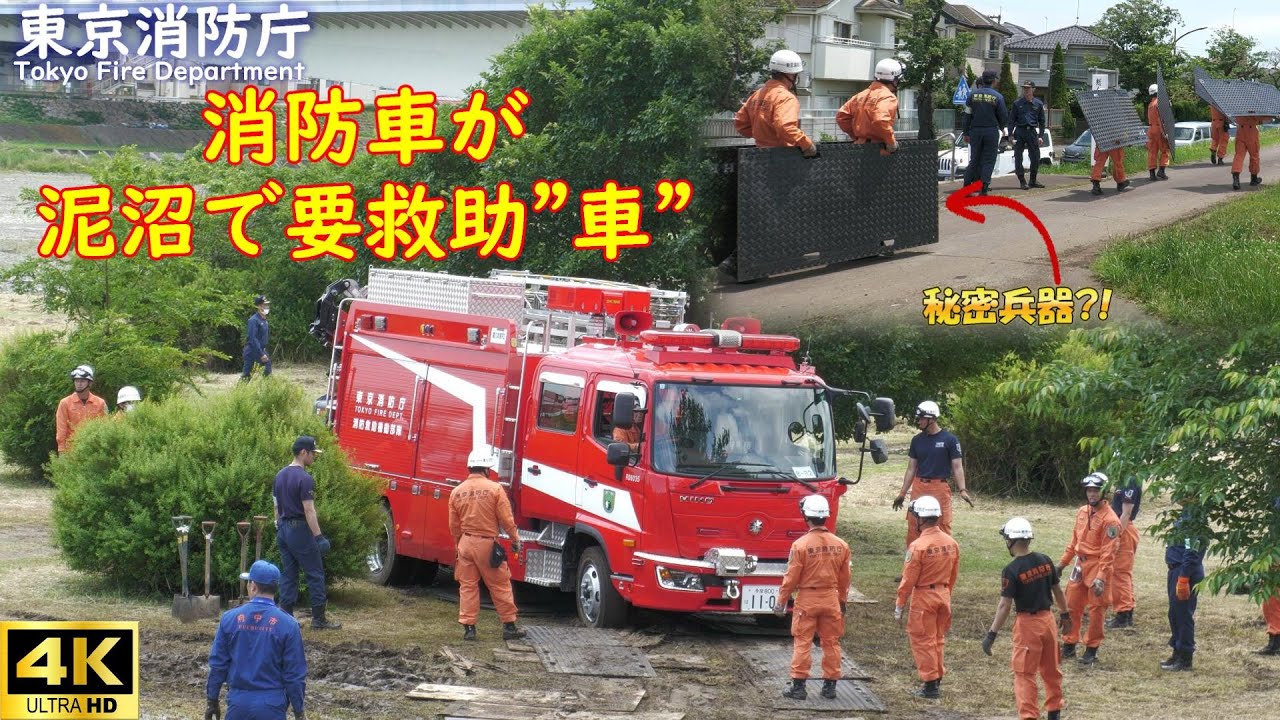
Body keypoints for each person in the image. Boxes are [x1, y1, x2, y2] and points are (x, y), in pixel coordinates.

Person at [719, 49, 818, 277]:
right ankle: (744, 260)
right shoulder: (785, 97)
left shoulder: (759, 94)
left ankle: (759, 258)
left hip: (760, 158)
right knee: (777, 212)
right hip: (781, 161)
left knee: (766, 211)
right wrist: (806, 144)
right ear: (791, 75)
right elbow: (786, 127)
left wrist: (760, 133)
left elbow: (741, 123)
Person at [982, 517, 1069, 720]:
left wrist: (991, 634)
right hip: (1048, 621)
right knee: (1051, 669)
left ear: (1011, 541)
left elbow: (1005, 605)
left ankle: (1029, 716)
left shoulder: (1011, 570)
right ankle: (1054, 711)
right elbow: (1057, 590)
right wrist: (1065, 614)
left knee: (1024, 674)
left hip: (1028, 626)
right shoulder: (1046, 560)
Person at [205, 560, 306, 720]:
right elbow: (294, 675)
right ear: (275, 588)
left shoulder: (229, 618)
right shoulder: (289, 624)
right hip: (272, 706)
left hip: (238, 705)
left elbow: (218, 664)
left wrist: (212, 700)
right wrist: (299, 711)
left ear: (253, 586)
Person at [773, 494, 851, 701]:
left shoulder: (800, 545)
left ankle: (798, 688)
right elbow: (845, 579)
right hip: (831, 599)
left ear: (805, 515)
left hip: (807, 599)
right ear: (826, 516)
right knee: (831, 642)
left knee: (802, 642)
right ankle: (830, 687)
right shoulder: (841, 545)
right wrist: (842, 601)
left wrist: (781, 601)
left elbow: (791, 578)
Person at [449, 447, 526, 641]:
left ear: (470, 468)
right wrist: (515, 539)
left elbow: (454, 525)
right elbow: (506, 519)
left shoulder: (457, 492)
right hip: (487, 544)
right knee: (500, 585)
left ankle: (469, 629)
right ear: (486, 469)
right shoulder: (495, 489)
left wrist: (459, 546)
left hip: (465, 543)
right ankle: (509, 627)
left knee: (467, 586)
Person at [272, 436, 340, 630]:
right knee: (315, 573)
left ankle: (286, 618)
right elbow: (309, 510)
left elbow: (276, 506)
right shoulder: (304, 478)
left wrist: (279, 525)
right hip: (299, 529)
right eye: (313, 453)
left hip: (283, 529)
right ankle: (319, 620)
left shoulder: (279, 475)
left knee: (289, 574)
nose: (314, 457)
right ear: (304, 453)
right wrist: (318, 536)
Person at [895, 496, 959, 700]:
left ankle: (930, 684)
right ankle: (937, 676)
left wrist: (900, 603)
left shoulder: (918, 546)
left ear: (920, 519)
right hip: (943, 594)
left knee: (923, 640)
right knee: (938, 639)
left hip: (924, 597)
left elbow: (908, 579)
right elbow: (953, 575)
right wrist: (946, 593)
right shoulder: (951, 543)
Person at [1056, 471, 1121, 665]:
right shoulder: (1082, 512)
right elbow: (1074, 541)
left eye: (1096, 490)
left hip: (1098, 566)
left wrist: (1100, 577)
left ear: (1104, 492)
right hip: (1080, 563)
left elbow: (1109, 553)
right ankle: (1069, 644)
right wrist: (1061, 564)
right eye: (1089, 490)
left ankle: (1092, 649)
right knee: (1071, 605)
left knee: (1096, 609)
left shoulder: (1111, 521)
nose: (1092, 494)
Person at [893, 401, 971, 548]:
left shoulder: (950, 440)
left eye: (922, 418)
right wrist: (902, 493)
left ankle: (944, 555)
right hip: (919, 486)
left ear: (932, 418)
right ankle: (914, 557)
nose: (919, 421)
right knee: (915, 522)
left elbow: (957, 466)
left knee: (941, 523)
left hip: (939, 487)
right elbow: (911, 468)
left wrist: (962, 489)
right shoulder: (916, 440)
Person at [1161, 494, 1207, 671]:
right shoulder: (1186, 514)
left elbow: (1192, 551)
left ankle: (1185, 657)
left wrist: (1184, 577)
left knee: (1183, 615)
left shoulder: (1194, 519)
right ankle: (1177, 651)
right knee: (1174, 614)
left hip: (1185, 571)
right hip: (1176, 569)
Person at [837, 58, 905, 154]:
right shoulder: (888, 97)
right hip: (879, 150)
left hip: (859, 148)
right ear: (894, 80)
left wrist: (857, 136)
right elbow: (881, 120)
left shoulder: (860, 95)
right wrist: (891, 142)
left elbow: (841, 117)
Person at [961, 69, 1009, 196]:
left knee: (974, 160)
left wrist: (966, 132)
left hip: (975, 131)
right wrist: (1002, 127)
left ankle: (966, 188)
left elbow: (967, 116)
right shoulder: (998, 97)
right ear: (993, 81)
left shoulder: (972, 95)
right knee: (988, 160)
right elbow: (1003, 116)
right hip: (991, 131)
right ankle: (984, 189)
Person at [1105, 477, 1142, 629]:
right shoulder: (1124, 480)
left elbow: (1126, 513)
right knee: (1120, 573)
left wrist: (1117, 536)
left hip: (1124, 529)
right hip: (1122, 528)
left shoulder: (1130, 481)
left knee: (1120, 573)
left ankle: (1123, 614)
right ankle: (1126, 610)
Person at [56, 364, 108, 453]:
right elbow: (61, 429)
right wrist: (61, 450)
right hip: (71, 451)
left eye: (82, 381)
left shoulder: (100, 403)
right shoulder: (65, 403)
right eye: (76, 381)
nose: (79, 384)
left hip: (93, 451)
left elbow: (105, 428)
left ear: (90, 383)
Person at [1008, 81, 1047, 190]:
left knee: (1035, 157)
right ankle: (1022, 181)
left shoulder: (1038, 104)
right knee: (1018, 156)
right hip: (1020, 131)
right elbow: (1011, 120)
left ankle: (1033, 180)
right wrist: (1010, 135)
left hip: (1032, 132)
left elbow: (1042, 121)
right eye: (1024, 88)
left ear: (1033, 89)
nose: (1026, 90)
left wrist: (1041, 136)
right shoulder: (1017, 103)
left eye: (1028, 88)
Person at [1231, 114, 1276, 190]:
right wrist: (1272, 116)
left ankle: (1236, 180)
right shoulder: (1252, 104)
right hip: (1251, 131)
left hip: (1240, 131)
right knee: (1254, 156)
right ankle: (1254, 179)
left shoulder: (1237, 104)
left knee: (1238, 156)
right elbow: (1258, 117)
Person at [243, 295, 272, 381]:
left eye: (267, 304)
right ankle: (238, 393)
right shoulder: (253, 320)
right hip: (252, 351)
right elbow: (253, 339)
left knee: (267, 372)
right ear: (259, 306)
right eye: (264, 304)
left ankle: (266, 392)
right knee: (246, 376)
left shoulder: (264, 320)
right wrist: (261, 354)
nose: (266, 306)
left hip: (261, 349)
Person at [1146, 83, 1171, 182]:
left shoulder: (1150, 104)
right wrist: (1165, 133)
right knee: (1165, 150)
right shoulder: (1159, 103)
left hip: (1150, 130)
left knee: (1152, 152)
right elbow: (1161, 119)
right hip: (1158, 129)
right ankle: (1161, 171)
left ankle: (1152, 174)